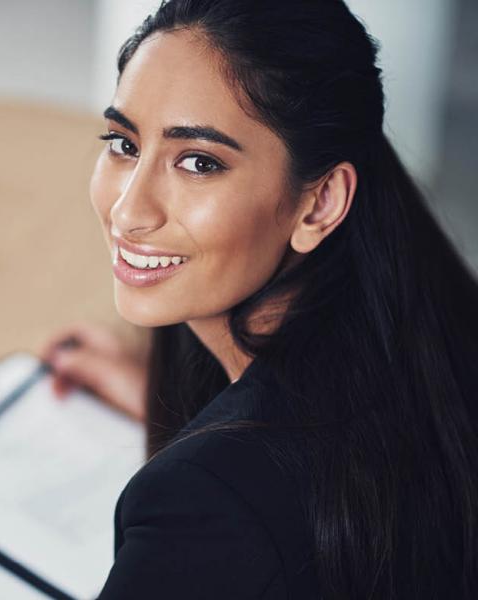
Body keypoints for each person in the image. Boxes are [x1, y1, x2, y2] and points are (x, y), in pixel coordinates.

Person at [38, 1, 478, 598]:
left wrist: (215, 453)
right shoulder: (431, 328)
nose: (128, 211)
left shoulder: (201, 507)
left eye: (199, 162)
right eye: (123, 142)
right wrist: (175, 405)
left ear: (320, 203)